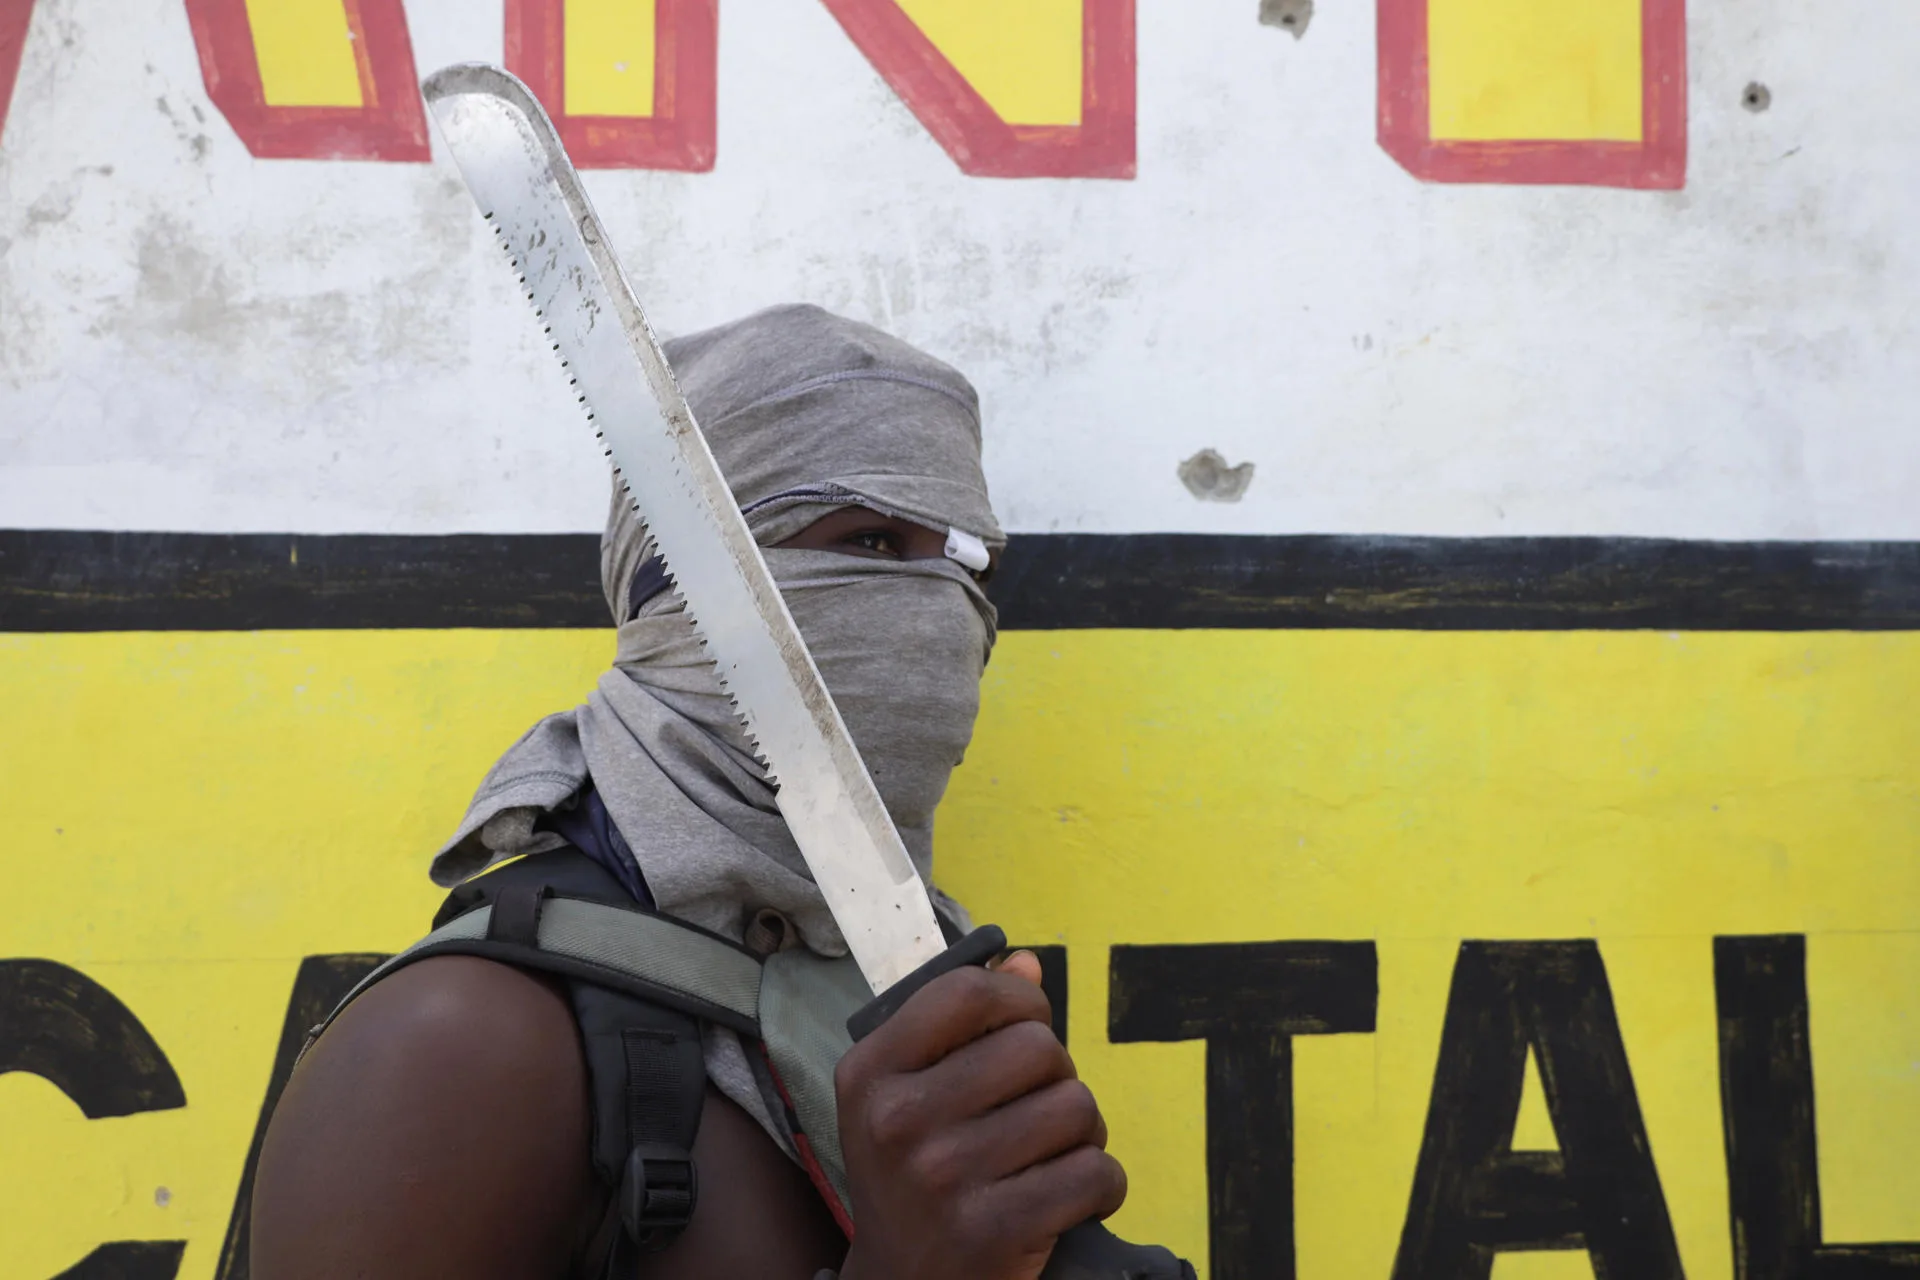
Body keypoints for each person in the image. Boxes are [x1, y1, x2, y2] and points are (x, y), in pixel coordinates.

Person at [250, 305, 1138, 1280]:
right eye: (874, 544)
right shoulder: (459, 1046)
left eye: (966, 562)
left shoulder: (906, 975)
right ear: (680, 599)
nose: (937, 610)